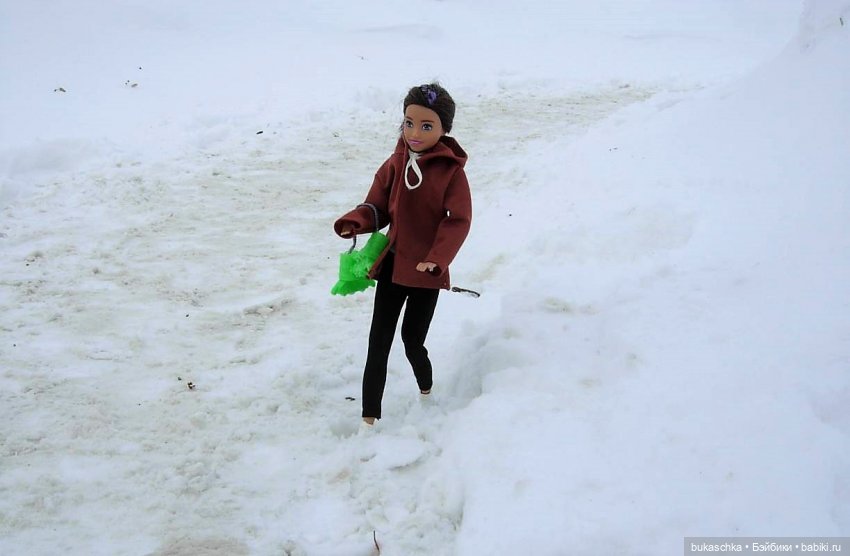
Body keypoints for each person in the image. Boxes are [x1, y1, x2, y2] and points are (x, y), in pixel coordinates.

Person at [334, 83, 472, 426]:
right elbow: (377, 205)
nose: (415, 132)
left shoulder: (451, 173)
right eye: (409, 122)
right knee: (378, 342)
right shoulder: (395, 163)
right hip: (394, 266)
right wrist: (357, 221)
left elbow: (458, 221)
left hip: (426, 272)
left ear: (443, 129)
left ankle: (426, 387)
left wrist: (437, 258)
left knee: (412, 340)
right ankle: (369, 417)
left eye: (426, 126)